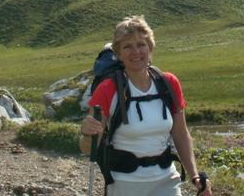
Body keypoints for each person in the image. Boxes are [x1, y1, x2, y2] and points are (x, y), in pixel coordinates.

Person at [80, 15, 212, 196]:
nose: (136, 52)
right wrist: (87, 134)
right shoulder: (108, 89)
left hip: (167, 181)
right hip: (124, 184)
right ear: (118, 54)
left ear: (150, 48)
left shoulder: (168, 83)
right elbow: (88, 149)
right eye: (127, 46)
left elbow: (181, 134)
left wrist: (195, 176)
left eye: (141, 44)